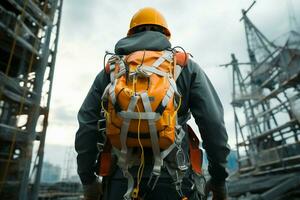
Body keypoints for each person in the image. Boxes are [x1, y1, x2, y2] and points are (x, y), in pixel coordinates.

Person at [75, 7, 230, 200]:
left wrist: (88, 180)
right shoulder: (184, 66)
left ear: (131, 33)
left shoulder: (111, 70)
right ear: (165, 34)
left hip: (120, 183)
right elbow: (213, 124)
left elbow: (87, 125)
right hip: (176, 182)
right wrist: (219, 179)